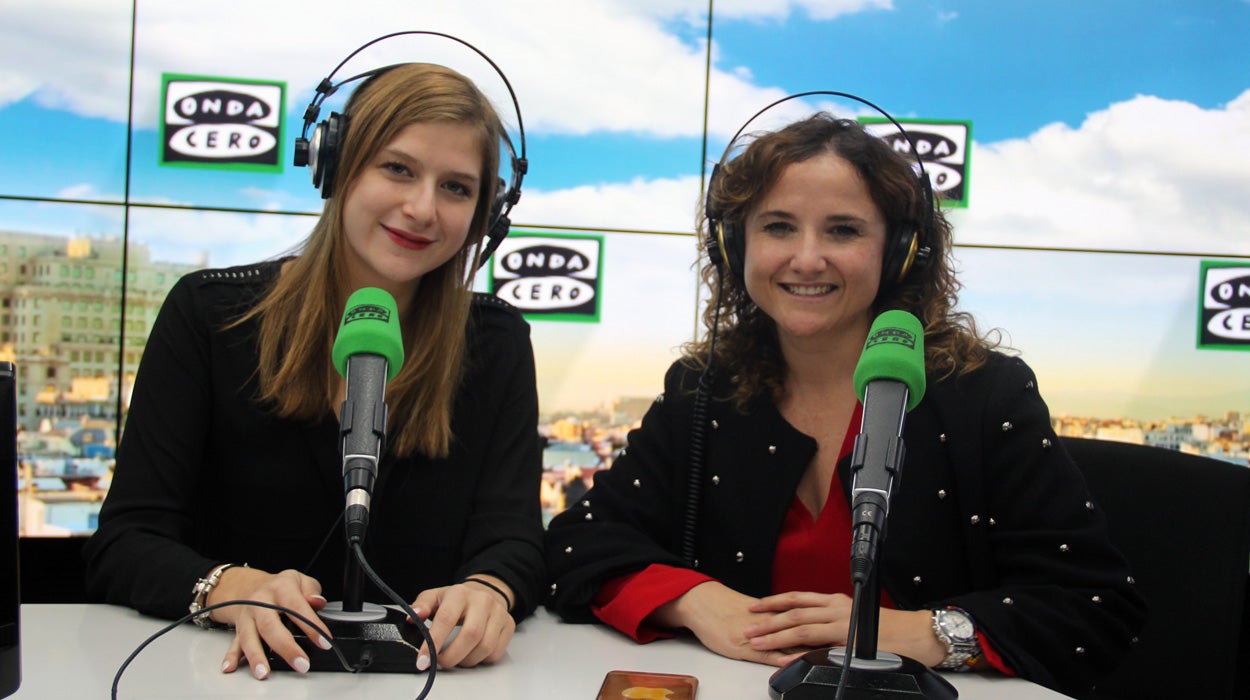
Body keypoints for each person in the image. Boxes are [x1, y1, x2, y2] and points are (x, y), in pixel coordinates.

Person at [544, 112, 1145, 698]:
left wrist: (923, 633)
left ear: (901, 251)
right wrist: (695, 601)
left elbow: (1092, 609)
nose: (807, 259)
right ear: (734, 244)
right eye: (777, 226)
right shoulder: (702, 389)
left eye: (843, 230)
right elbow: (580, 545)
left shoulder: (985, 395)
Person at [83, 62, 545, 680]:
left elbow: (513, 540)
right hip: (234, 681)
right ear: (335, 167)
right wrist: (228, 586)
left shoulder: (498, 341)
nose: (422, 208)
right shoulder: (210, 314)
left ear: (485, 217)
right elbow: (124, 542)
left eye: (457, 188)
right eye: (398, 169)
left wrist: (491, 589)